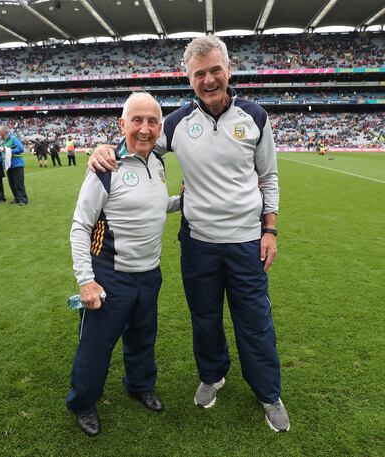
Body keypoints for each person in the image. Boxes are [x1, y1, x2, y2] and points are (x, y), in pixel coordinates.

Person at [89, 36, 290, 433]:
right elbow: (138, 139)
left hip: (247, 241)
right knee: (205, 318)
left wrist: (270, 230)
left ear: (228, 70)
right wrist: (104, 149)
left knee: (255, 320)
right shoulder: (178, 122)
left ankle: (268, 392)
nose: (209, 79)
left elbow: (268, 178)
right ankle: (213, 375)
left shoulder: (256, 117)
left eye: (215, 70)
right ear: (189, 79)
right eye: (200, 74)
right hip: (198, 243)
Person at [67, 93, 180, 437]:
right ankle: (83, 401)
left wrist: (181, 202)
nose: (144, 129)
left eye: (151, 121)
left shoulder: (158, 163)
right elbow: (80, 226)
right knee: (97, 346)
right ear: (122, 125)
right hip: (110, 277)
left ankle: (138, 384)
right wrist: (86, 281)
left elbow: (155, 206)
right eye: (137, 120)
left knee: (143, 338)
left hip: (149, 273)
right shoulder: (106, 166)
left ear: (159, 127)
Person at [0, 125, 28, 206]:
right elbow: (3, 155)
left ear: (3, 132)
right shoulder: (3, 141)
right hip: (8, 165)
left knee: (18, 183)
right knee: (12, 184)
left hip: (17, 164)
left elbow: (20, 149)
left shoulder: (13, 138)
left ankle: (23, 200)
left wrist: (8, 150)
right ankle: (17, 198)